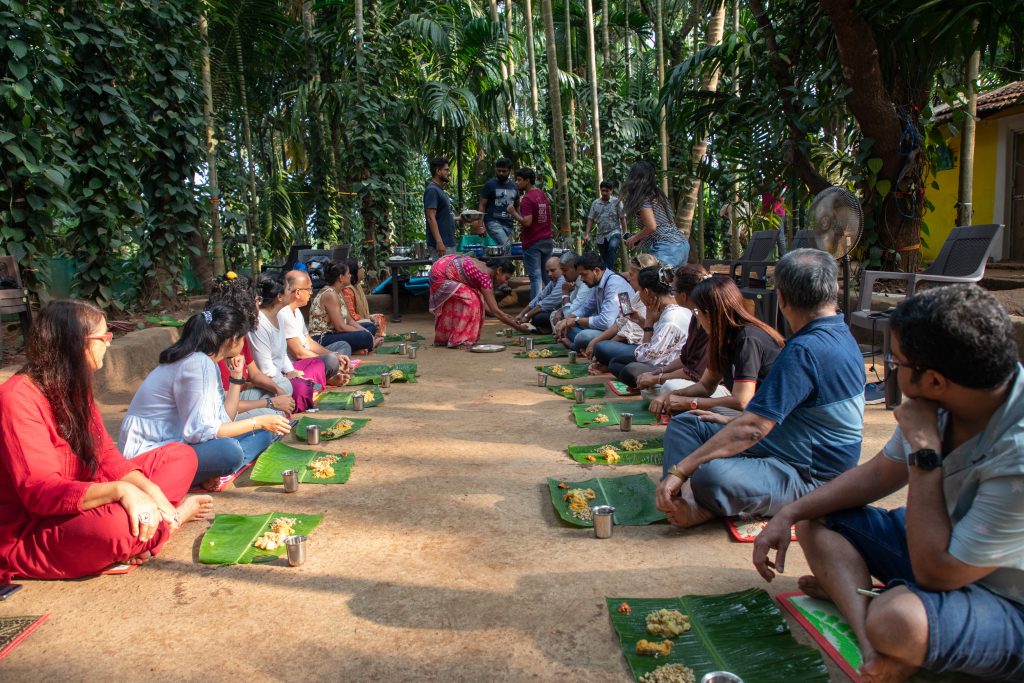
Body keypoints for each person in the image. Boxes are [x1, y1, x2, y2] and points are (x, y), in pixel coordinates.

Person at [754, 284, 1024, 683]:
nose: (892, 370)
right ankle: (873, 649)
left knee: (898, 620)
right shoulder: (945, 398)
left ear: (933, 380)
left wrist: (924, 452)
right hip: (940, 544)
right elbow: (881, 473)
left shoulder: (1016, 453)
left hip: (1003, 594)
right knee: (817, 517)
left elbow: (938, 574)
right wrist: (791, 512)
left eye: (896, 362)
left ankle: (886, 621)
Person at [0, 301, 211, 580]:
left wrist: (152, 493)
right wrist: (120, 492)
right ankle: (172, 521)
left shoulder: (72, 384)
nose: (109, 344)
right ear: (78, 344)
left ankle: (152, 521)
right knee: (117, 526)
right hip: (37, 525)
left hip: (86, 493)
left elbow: (106, 454)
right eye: (104, 337)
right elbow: (41, 492)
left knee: (181, 457)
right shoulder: (16, 398)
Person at [654, 249, 865, 527]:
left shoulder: (804, 350)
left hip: (812, 474)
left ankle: (698, 501)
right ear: (833, 291)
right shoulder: (838, 333)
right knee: (688, 425)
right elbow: (759, 415)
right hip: (787, 441)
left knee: (712, 476)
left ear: (782, 299)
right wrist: (726, 419)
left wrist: (682, 470)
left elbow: (752, 428)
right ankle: (681, 499)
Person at [119, 304, 292, 489]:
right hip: (149, 455)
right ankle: (210, 475)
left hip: (176, 445)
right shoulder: (198, 363)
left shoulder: (205, 360)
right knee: (229, 452)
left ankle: (210, 474)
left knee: (264, 433)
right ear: (233, 340)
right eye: (242, 339)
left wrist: (236, 378)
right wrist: (258, 421)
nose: (243, 345)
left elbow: (224, 418)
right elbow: (200, 432)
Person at [648, 274, 784, 416]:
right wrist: (672, 395)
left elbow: (742, 401)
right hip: (751, 411)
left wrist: (691, 403)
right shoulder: (723, 338)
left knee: (692, 418)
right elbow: (706, 385)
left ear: (709, 314)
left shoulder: (747, 339)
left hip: (768, 416)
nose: (695, 316)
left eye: (697, 311)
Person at [206, 274, 295, 420]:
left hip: (235, 400)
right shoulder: (217, 349)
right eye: (256, 300)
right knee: (271, 415)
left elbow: (254, 374)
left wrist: (278, 391)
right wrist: (270, 403)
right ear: (244, 307)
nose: (259, 305)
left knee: (284, 386)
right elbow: (224, 407)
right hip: (221, 412)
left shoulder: (237, 335)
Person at [633, 264, 728, 399]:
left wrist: (658, 378)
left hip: (716, 386)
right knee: (650, 388)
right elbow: (684, 359)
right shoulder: (696, 317)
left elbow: (697, 375)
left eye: (674, 290)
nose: (672, 294)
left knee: (667, 388)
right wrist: (657, 373)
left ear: (683, 295)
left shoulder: (711, 321)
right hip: (697, 380)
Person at [590, 266, 692, 387]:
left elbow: (647, 357)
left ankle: (654, 385)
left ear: (646, 291)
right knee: (614, 363)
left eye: (639, 290)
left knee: (627, 370)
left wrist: (648, 323)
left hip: (669, 366)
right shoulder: (664, 308)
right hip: (654, 355)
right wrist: (641, 321)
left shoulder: (671, 319)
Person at [249, 276, 327, 413]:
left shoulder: (279, 315)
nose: (291, 292)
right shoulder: (259, 323)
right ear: (279, 297)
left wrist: (292, 371)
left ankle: (308, 390)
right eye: (288, 289)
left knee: (318, 363)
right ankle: (306, 393)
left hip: (283, 374)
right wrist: (286, 377)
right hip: (270, 380)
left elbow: (282, 352)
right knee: (297, 388)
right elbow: (265, 369)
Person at [429, 254, 528, 348]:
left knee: (476, 298)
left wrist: (508, 317)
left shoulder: (484, 268)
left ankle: (445, 338)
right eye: (506, 278)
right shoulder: (484, 277)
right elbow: (494, 311)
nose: (505, 282)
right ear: (499, 270)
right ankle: (461, 340)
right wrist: (518, 327)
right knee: (473, 301)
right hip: (440, 274)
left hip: (442, 266)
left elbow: (489, 308)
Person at [579, 253, 658, 366]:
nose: (628, 278)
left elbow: (624, 334)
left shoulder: (619, 286)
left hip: (636, 343)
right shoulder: (637, 294)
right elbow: (621, 321)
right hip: (620, 334)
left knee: (594, 344)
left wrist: (601, 346)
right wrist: (595, 342)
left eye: (631, 274)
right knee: (592, 342)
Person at [277, 269, 351, 384]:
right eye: (309, 289)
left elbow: (309, 342)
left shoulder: (296, 311)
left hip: (308, 357)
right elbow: (299, 353)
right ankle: (329, 375)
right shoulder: (283, 313)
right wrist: (331, 358)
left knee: (343, 347)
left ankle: (330, 373)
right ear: (297, 293)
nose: (311, 292)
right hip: (295, 366)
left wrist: (334, 354)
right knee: (331, 361)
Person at [556, 252, 633, 353]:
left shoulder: (616, 284)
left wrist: (576, 321)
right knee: (567, 327)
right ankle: (584, 346)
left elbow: (607, 322)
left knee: (582, 336)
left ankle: (578, 346)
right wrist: (568, 320)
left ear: (596, 270)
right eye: (580, 275)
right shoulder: (598, 282)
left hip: (618, 332)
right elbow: (586, 308)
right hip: (609, 329)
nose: (582, 279)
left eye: (584, 275)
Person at [620, 160, 689, 266]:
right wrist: (638, 237)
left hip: (666, 247)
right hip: (680, 244)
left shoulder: (643, 198)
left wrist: (634, 238)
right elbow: (659, 226)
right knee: (672, 281)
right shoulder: (657, 194)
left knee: (653, 281)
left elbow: (652, 227)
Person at [308, 261, 377, 354]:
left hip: (334, 332)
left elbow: (349, 320)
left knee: (370, 327)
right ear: (341, 277)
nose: (350, 276)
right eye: (348, 273)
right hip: (322, 337)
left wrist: (365, 331)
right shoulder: (330, 294)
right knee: (365, 337)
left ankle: (358, 347)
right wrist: (365, 334)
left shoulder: (339, 291)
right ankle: (360, 347)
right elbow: (340, 327)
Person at [507, 167, 554, 300]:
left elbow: (527, 222)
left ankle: (535, 310)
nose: (517, 182)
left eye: (519, 180)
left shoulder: (527, 199)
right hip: (547, 240)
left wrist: (513, 213)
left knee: (535, 278)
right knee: (548, 276)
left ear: (527, 181)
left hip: (533, 242)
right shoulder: (541, 194)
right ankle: (554, 304)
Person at [424, 156, 470, 258]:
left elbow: (441, 217)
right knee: (442, 273)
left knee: (449, 273)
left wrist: (460, 218)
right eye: (446, 170)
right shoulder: (432, 190)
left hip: (448, 242)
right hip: (442, 244)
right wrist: (439, 242)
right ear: (438, 171)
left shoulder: (439, 190)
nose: (449, 172)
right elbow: (431, 217)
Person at [475, 157, 519, 250]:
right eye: (499, 171)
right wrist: (480, 225)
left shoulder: (514, 187)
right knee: (506, 247)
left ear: (509, 171)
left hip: (508, 223)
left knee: (509, 251)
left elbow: (517, 206)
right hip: (493, 221)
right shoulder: (490, 185)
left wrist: (522, 222)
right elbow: (482, 205)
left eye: (504, 171)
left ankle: (497, 264)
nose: (501, 173)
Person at [514, 255, 564, 333]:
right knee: (537, 316)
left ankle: (549, 329)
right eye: (547, 271)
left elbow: (547, 302)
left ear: (562, 268)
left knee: (538, 317)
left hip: (566, 313)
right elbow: (539, 297)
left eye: (552, 270)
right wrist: (522, 314)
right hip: (558, 311)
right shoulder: (554, 281)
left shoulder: (563, 280)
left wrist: (527, 316)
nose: (549, 274)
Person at [342, 258, 387, 339]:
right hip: (352, 323)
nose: (363, 270)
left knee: (380, 317)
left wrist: (369, 318)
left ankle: (372, 335)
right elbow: (351, 317)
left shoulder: (358, 286)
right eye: (361, 268)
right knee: (372, 325)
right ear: (354, 272)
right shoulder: (347, 290)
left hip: (359, 320)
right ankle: (370, 337)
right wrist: (369, 319)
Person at [587, 180, 626, 270]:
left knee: (612, 247)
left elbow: (622, 218)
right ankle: (606, 273)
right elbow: (590, 219)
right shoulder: (595, 203)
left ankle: (609, 272)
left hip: (614, 231)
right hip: (601, 235)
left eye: (607, 191)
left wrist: (625, 234)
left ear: (611, 191)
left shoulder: (617, 202)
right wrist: (587, 234)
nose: (604, 193)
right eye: (602, 190)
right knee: (604, 258)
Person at [551, 252, 591, 339]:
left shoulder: (585, 284)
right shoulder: (576, 282)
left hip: (587, 324)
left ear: (576, 269)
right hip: (578, 318)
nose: (562, 274)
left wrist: (565, 293)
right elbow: (569, 307)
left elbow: (569, 313)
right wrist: (560, 311)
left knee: (566, 327)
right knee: (554, 315)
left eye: (565, 270)